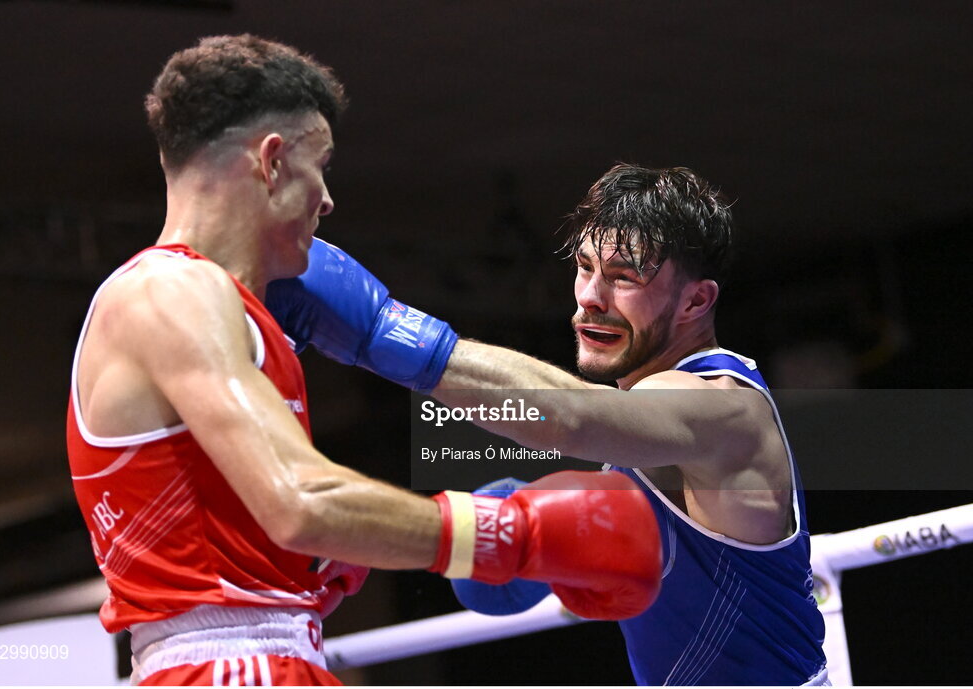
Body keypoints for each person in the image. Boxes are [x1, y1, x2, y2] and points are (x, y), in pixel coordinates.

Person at [65, 35, 662, 686]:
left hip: (254, 658)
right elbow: (301, 499)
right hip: (230, 669)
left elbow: (240, 521)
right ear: (272, 161)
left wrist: (294, 568)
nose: (327, 200)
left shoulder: (217, 305)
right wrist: (505, 536)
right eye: (320, 163)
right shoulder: (174, 291)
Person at [268, 163, 829, 685]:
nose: (589, 297)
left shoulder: (720, 407)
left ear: (695, 301)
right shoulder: (652, 422)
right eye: (585, 268)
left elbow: (567, 416)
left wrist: (380, 332)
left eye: (623, 277)